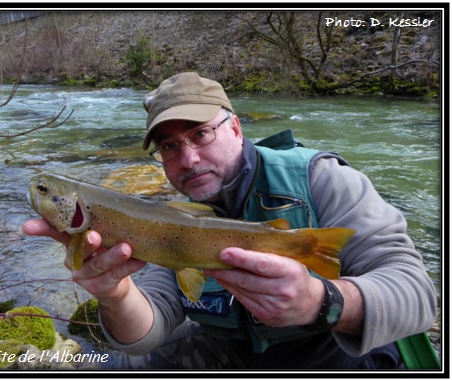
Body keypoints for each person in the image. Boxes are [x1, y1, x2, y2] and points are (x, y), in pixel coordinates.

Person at [22, 72, 437, 369]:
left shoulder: (322, 179)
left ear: (236, 127)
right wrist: (114, 294)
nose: (187, 159)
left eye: (200, 134)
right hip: (236, 357)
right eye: (169, 147)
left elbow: (420, 298)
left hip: (336, 358)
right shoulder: (168, 220)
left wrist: (320, 301)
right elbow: (146, 332)